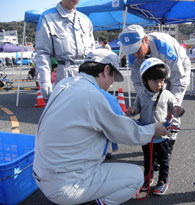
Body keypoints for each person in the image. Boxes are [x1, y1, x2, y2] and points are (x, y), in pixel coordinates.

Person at [33, 49, 170, 205]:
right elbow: (127, 133)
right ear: (106, 70)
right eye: (112, 76)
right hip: (66, 185)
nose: (111, 83)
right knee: (136, 177)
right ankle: (98, 202)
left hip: (41, 176)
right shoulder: (93, 95)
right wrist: (153, 129)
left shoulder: (64, 84)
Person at [118, 24, 191, 153]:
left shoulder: (164, 46)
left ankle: (168, 145)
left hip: (176, 71)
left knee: (170, 109)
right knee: (153, 110)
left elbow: (178, 79)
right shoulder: (133, 55)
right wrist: (145, 101)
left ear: (145, 40)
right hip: (152, 75)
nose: (134, 54)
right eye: (130, 51)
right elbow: (138, 83)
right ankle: (153, 141)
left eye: (137, 49)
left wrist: (174, 102)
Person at [126, 57, 185, 195]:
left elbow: (175, 109)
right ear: (145, 80)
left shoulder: (167, 94)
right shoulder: (141, 94)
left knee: (163, 160)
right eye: (155, 81)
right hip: (146, 133)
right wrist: (133, 110)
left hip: (162, 134)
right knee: (148, 159)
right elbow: (137, 107)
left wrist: (178, 110)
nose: (159, 84)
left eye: (162, 80)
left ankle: (163, 181)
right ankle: (148, 179)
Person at [34, 0, 95, 100]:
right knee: (66, 111)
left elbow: (93, 51)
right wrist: (45, 80)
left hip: (86, 73)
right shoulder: (48, 17)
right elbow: (42, 52)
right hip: (64, 74)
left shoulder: (85, 19)